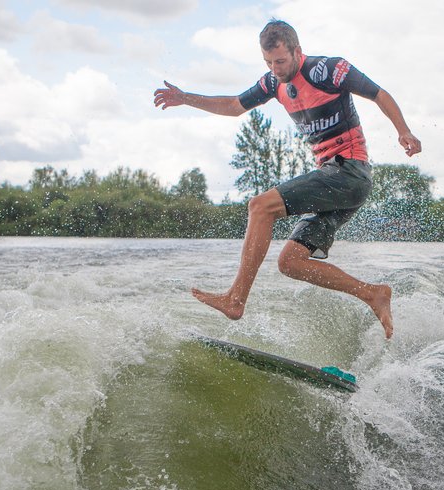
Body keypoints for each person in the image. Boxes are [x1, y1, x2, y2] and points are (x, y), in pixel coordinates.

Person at [154, 19, 421, 339]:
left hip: (349, 172)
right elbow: (234, 106)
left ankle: (235, 299)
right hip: (332, 179)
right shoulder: (272, 83)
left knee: (260, 206)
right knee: (291, 262)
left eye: (280, 61)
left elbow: (379, 94)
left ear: (297, 51)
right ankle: (373, 294)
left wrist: (403, 131)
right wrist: (186, 98)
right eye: (268, 62)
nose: (275, 69)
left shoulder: (328, 70)